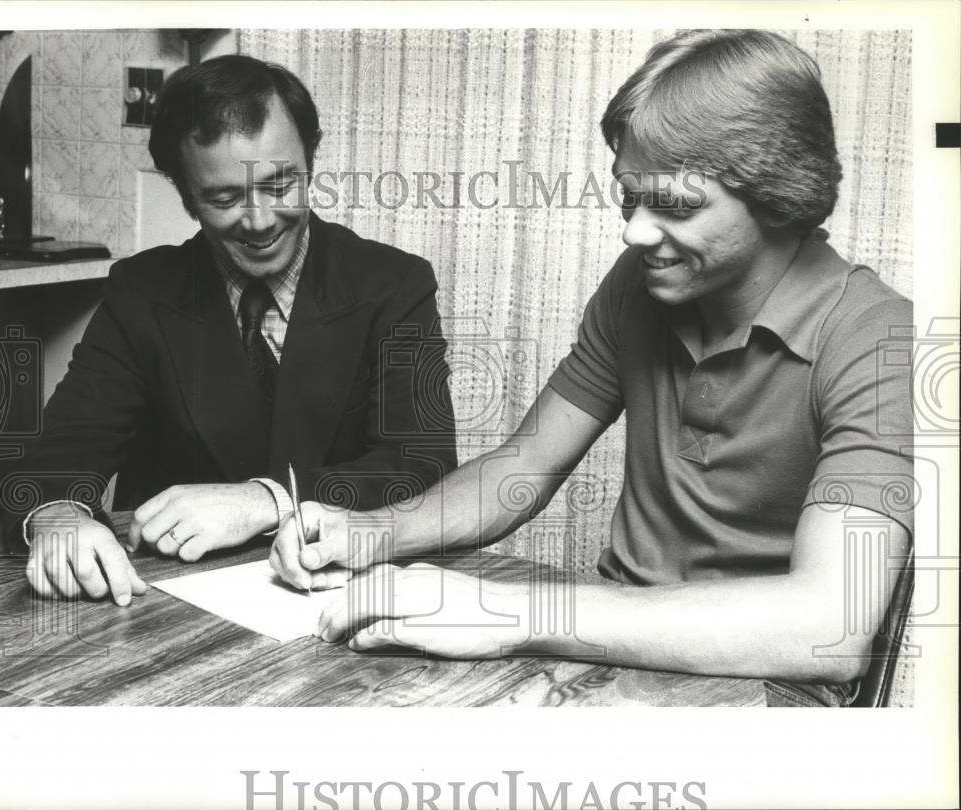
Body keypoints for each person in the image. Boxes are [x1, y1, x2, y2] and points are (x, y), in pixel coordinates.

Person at [271, 30, 914, 706]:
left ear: (780, 194)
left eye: (674, 204)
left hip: (765, 690)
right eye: (628, 197)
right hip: (606, 650)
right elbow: (522, 469)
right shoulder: (645, 280)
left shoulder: (877, 336)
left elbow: (830, 628)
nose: (635, 232)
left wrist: (508, 613)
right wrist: (373, 531)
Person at [5, 55, 457, 606]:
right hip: (164, 608)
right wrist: (55, 516)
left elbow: (424, 466)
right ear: (185, 195)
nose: (261, 220)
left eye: (281, 183)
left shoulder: (394, 283)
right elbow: (59, 455)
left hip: (341, 599)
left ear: (311, 162)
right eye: (224, 198)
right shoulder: (141, 291)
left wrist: (269, 499)